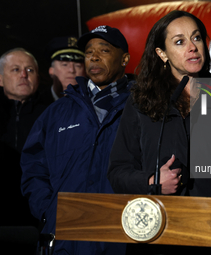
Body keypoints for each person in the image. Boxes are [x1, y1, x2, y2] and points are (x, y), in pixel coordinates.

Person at [107, 11, 211, 255]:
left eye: (196, 38)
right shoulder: (140, 101)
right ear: (162, 54)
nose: (192, 48)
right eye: (179, 41)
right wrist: (150, 182)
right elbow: (118, 171)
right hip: (155, 234)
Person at [21, 26, 132, 255]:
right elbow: (33, 166)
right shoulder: (57, 112)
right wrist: (48, 210)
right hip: (65, 242)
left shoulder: (142, 108)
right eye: (89, 51)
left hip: (123, 241)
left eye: (104, 50)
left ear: (124, 59)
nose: (94, 56)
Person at [0, 48, 48, 253]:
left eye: (30, 69)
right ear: (0, 79)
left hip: (36, 214)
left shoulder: (53, 113)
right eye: (15, 69)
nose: (23, 75)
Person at [43, 36, 86, 102]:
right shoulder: (38, 105)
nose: (72, 70)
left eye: (78, 66)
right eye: (65, 65)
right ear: (51, 70)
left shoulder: (95, 104)